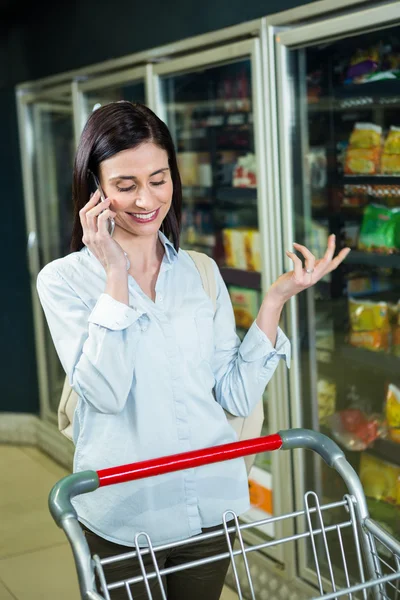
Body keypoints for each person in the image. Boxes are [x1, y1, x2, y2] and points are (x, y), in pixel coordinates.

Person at [37, 101, 350, 599]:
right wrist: (116, 273)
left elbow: (235, 395)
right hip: (125, 515)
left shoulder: (200, 271)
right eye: (125, 185)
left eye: (159, 179)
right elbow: (106, 393)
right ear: (94, 190)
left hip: (210, 507)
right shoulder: (64, 281)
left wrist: (274, 301)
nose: (146, 199)